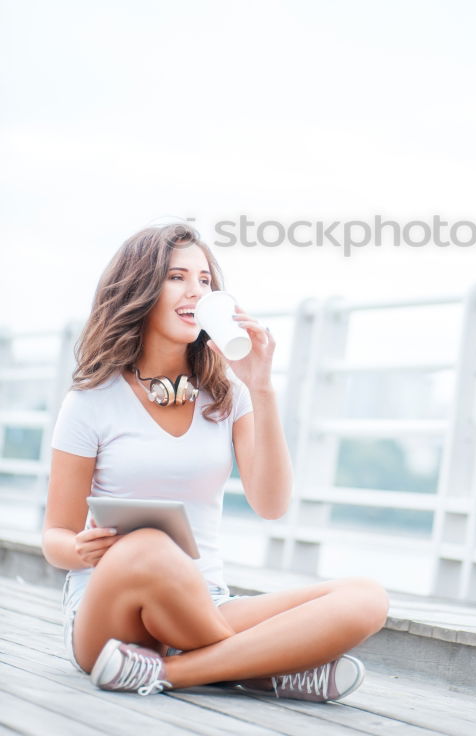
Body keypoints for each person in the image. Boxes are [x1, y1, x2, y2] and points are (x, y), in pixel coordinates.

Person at [41, 222, 388, 700]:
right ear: (140, 288)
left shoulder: (230, 395)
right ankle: (267, 670)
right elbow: (53, 537)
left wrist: (261, 387)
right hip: (112, 615)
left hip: (205, 605)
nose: (196, 291)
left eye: (205, 280)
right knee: (148, 546)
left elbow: (271, 504)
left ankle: (172, 671)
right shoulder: (91, 401)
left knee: (366, 598)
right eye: (177, 277)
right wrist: (82, 549)